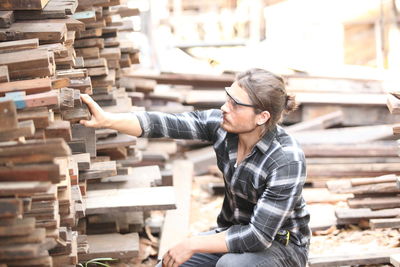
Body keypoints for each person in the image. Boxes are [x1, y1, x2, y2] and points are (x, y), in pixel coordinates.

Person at [80, 68, 310, 267]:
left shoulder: (286, 161)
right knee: (169, 263)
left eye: (235, 104)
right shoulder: (222, 127)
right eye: (228, 97)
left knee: (231, 264)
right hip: (233, 233)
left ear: (262, 117)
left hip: (283, 247)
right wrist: (107, 120)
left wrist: (193, 244)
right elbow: (164, 124)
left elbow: (259, 236)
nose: (224, 107)